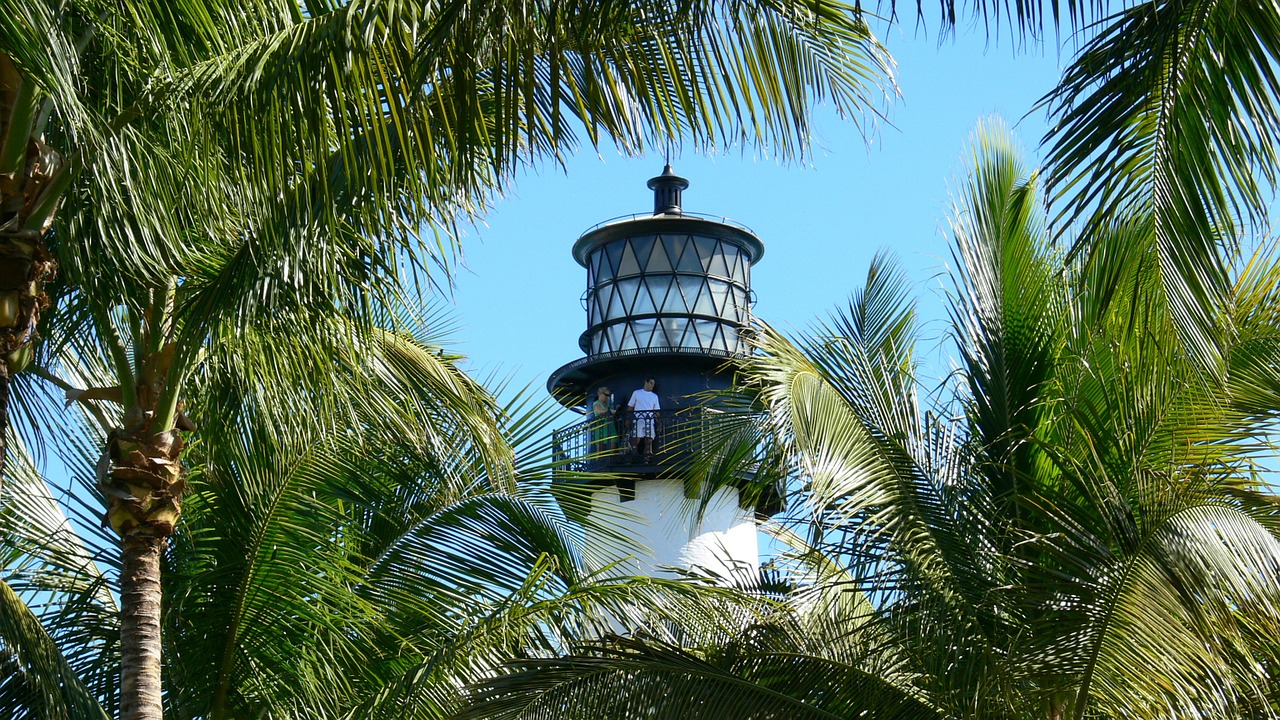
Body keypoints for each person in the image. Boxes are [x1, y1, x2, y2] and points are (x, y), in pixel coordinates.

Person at [626, 377, 659, 459]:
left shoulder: (654, 396)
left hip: (650, 419)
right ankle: (634, 452)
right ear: (646, 382)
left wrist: (659, 421)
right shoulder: (637, 393)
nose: (652, 385)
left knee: (649, 437)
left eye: (653, 384)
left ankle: (647, 454)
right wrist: (627, 419)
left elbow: (657, 410)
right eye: (651, 383)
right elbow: (630, 407)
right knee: (636, 436)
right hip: (639, 418)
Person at [590, 386, 613, 455]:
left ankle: (611, 461)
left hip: (610, 426)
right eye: (606, 395)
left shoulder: (608, 404)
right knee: (600, 449)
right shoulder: (596, 403)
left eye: (608, 395)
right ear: (600, 394)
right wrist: (610, 411)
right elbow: (599, 411)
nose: (607, 397)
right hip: (601, 427)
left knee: (613, 446)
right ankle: (599, 464)